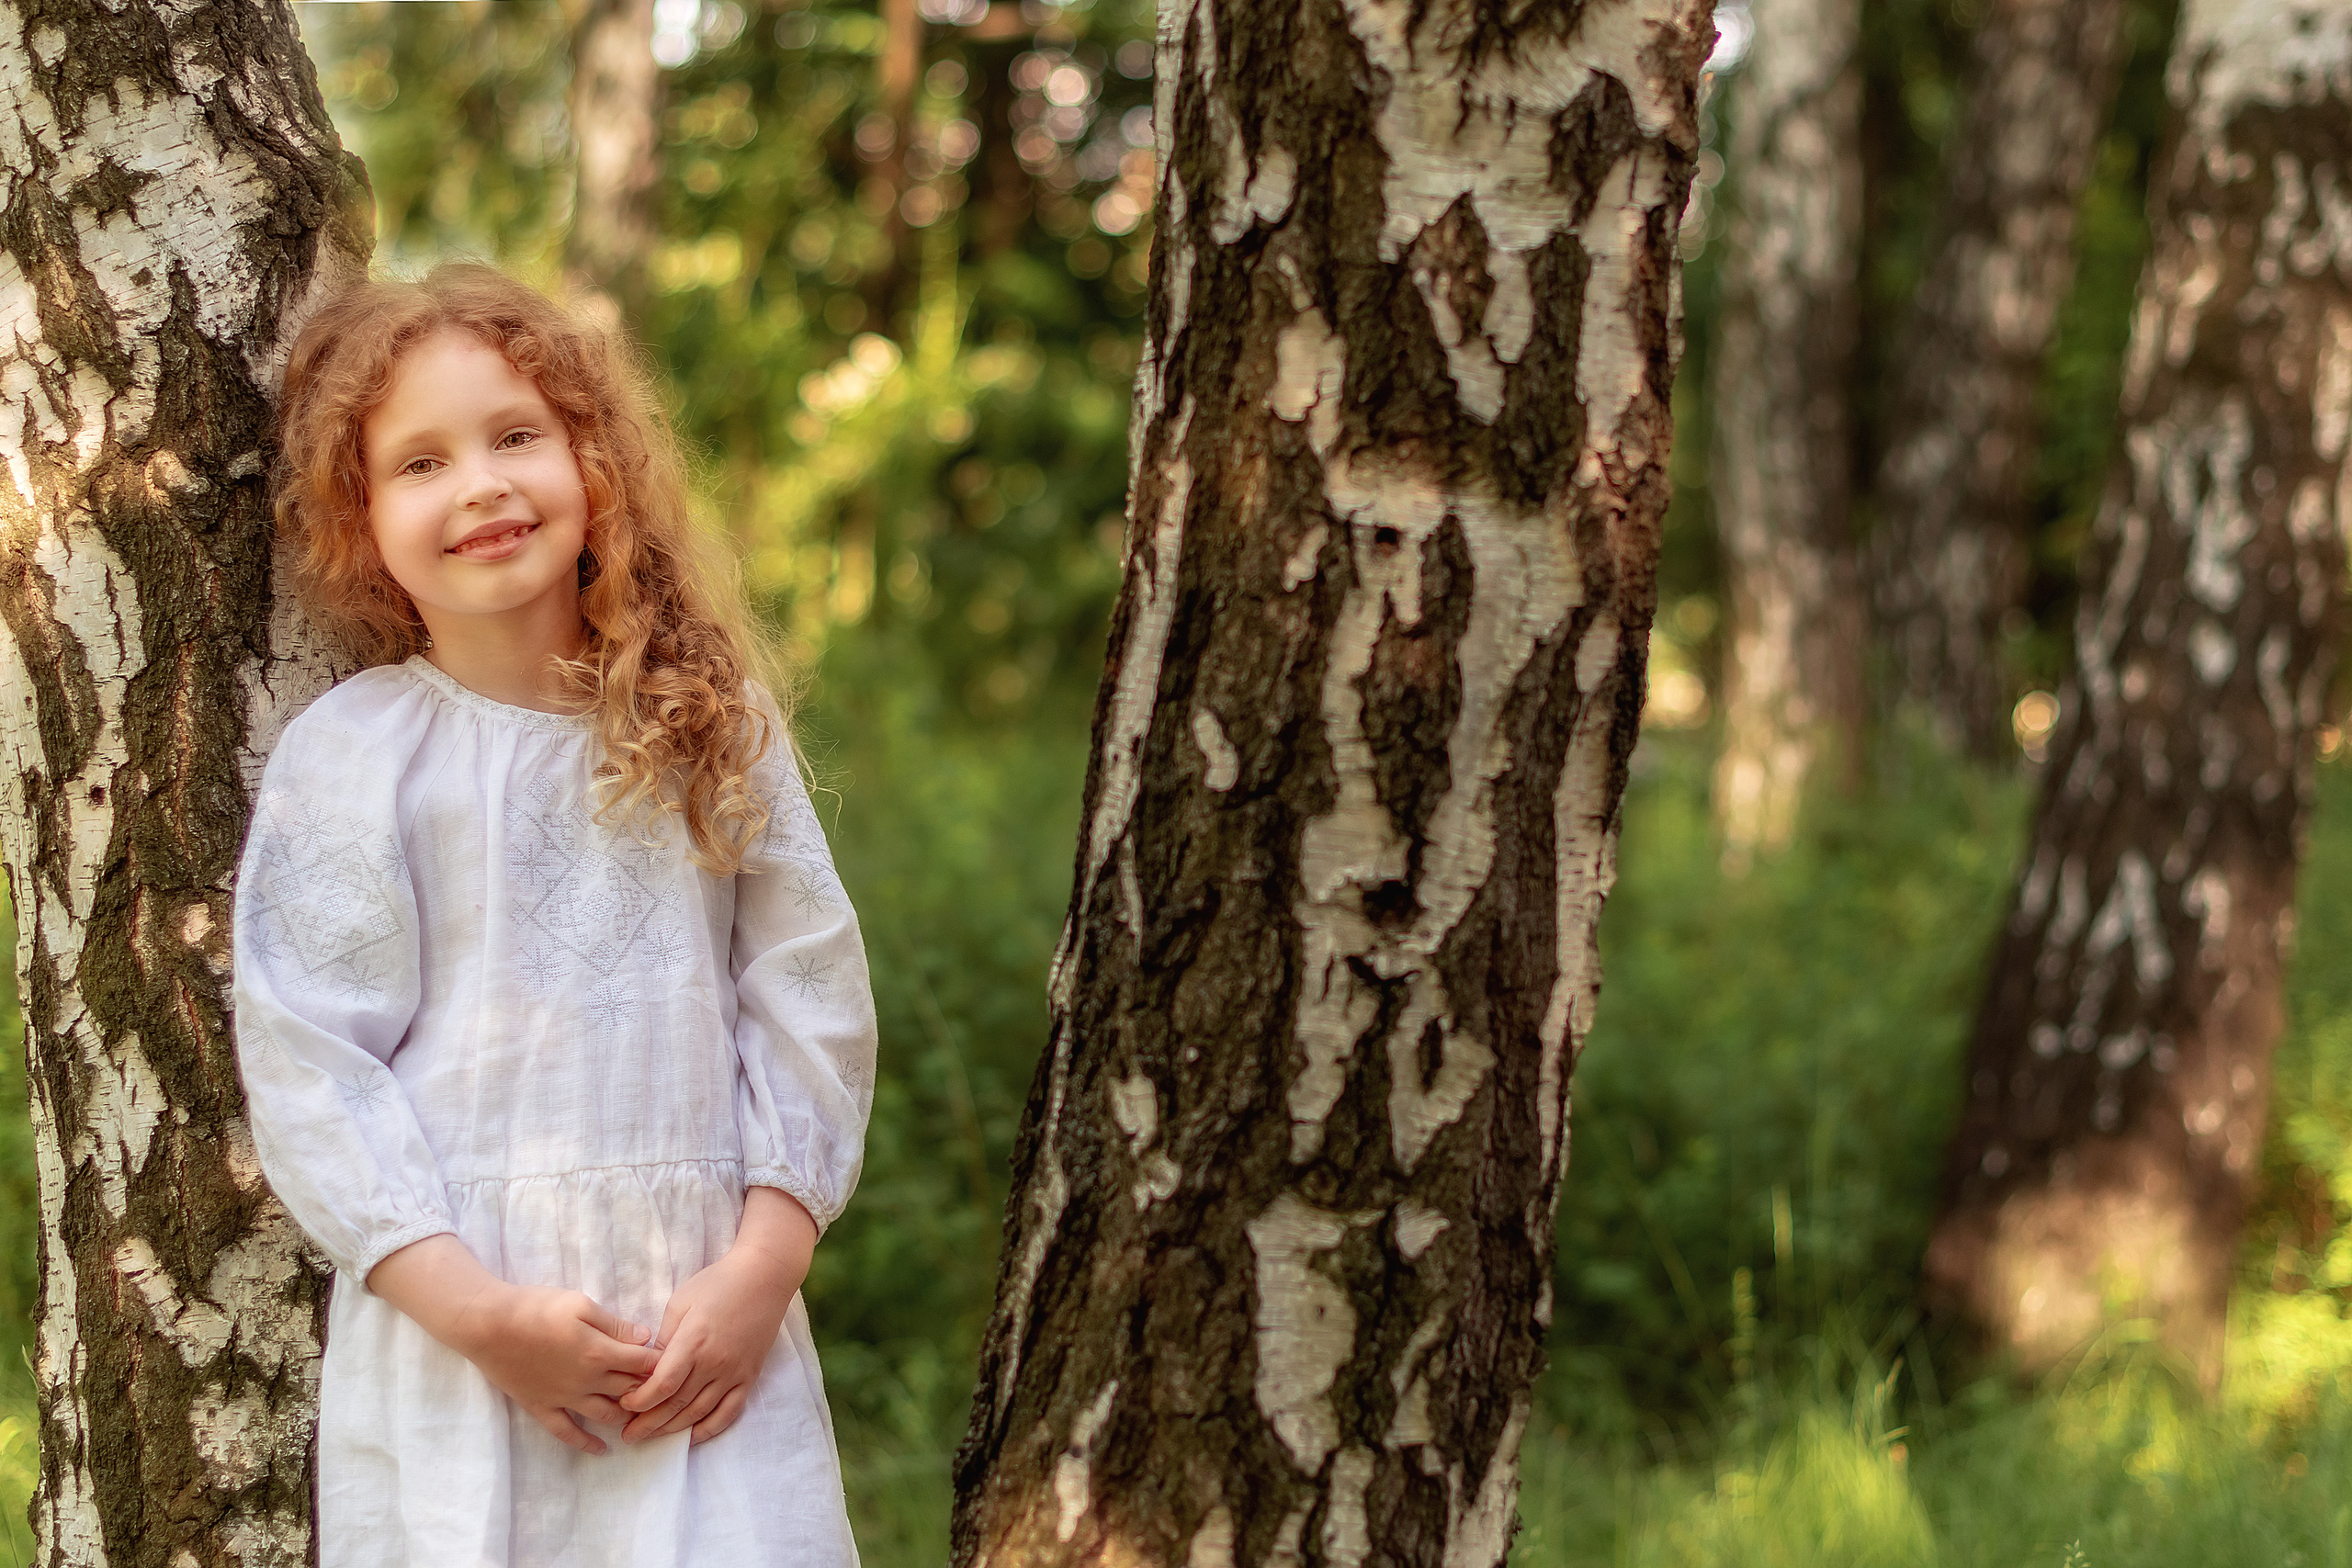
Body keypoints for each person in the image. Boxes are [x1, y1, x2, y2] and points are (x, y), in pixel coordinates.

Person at [234, 263, 874, 1568]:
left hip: (704, 1340)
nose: (479, 485)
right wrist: (476, 1316)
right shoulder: (358, 755)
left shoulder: (702, 717)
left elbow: (808, 986)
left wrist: (765, 1267)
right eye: (420, 463)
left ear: (596, 466)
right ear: (361, 521)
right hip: (472, 1342)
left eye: (517, 435)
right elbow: (310, 1061)